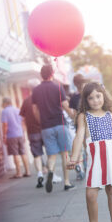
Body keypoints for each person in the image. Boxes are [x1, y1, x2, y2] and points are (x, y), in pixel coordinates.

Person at [67, 82, 112, 222]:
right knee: (91, 194)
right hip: (95, 158)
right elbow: (79, 136)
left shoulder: (111, 115)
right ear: (86, 101)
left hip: (111, 156)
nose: (95, 100)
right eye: (91, 98)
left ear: (104, 96)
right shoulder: (84, 116)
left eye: (98, 96)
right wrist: (73, 158)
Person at [32, 64, 75, 193]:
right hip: (59, 123)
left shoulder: (36, 90)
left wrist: (41, 121)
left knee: (52, 154)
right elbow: (65, 105)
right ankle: (67, 183)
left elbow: (35, 109)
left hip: (46, 127)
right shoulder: (57, 87)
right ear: (52, 74)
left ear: (41, 75)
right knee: (65, 154)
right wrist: (73, 115)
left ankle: (50, 171)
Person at [20, 79, 46, 188]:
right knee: (50, 152)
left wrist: (25, 131)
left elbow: (22, 118)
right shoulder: (43, 99)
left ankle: (40, 173)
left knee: (37, 155)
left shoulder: (25, 101)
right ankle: (51, 174)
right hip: (45, 129)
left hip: (32, 133)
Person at [1, 97, 31, 179]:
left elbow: (5, 125)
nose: (2, 105)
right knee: (23, 153)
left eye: (2, 104)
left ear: (5, 103)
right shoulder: (17, 109)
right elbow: (22, 122)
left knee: (15, 154)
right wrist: (23, 134)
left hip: (11, 135)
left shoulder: (4, 111)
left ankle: (19, 173)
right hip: (20, 134)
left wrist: (4, 136)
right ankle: (27, 171)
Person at [69, 74, 87, 179]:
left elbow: (74, 114)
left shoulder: (73, 98)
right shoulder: (88, 95)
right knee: (87, 146)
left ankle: (80, 166)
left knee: (79, 147)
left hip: (79, 125)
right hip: (89, 125)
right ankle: (86, 162)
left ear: (75, 84)